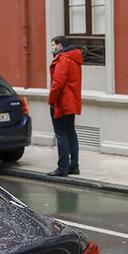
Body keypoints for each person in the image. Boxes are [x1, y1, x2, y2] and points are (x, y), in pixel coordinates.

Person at [46, 35, 83, 177]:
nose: (52, 48)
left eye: (53, 45)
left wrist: (51, 100)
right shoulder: (74, 58)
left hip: (61, 103)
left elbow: (57, 84)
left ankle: (62, 168)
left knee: (61, 135)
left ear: (60, 45)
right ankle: (74, 166)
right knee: (71, 133)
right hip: (71, 102)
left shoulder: (63, 59)